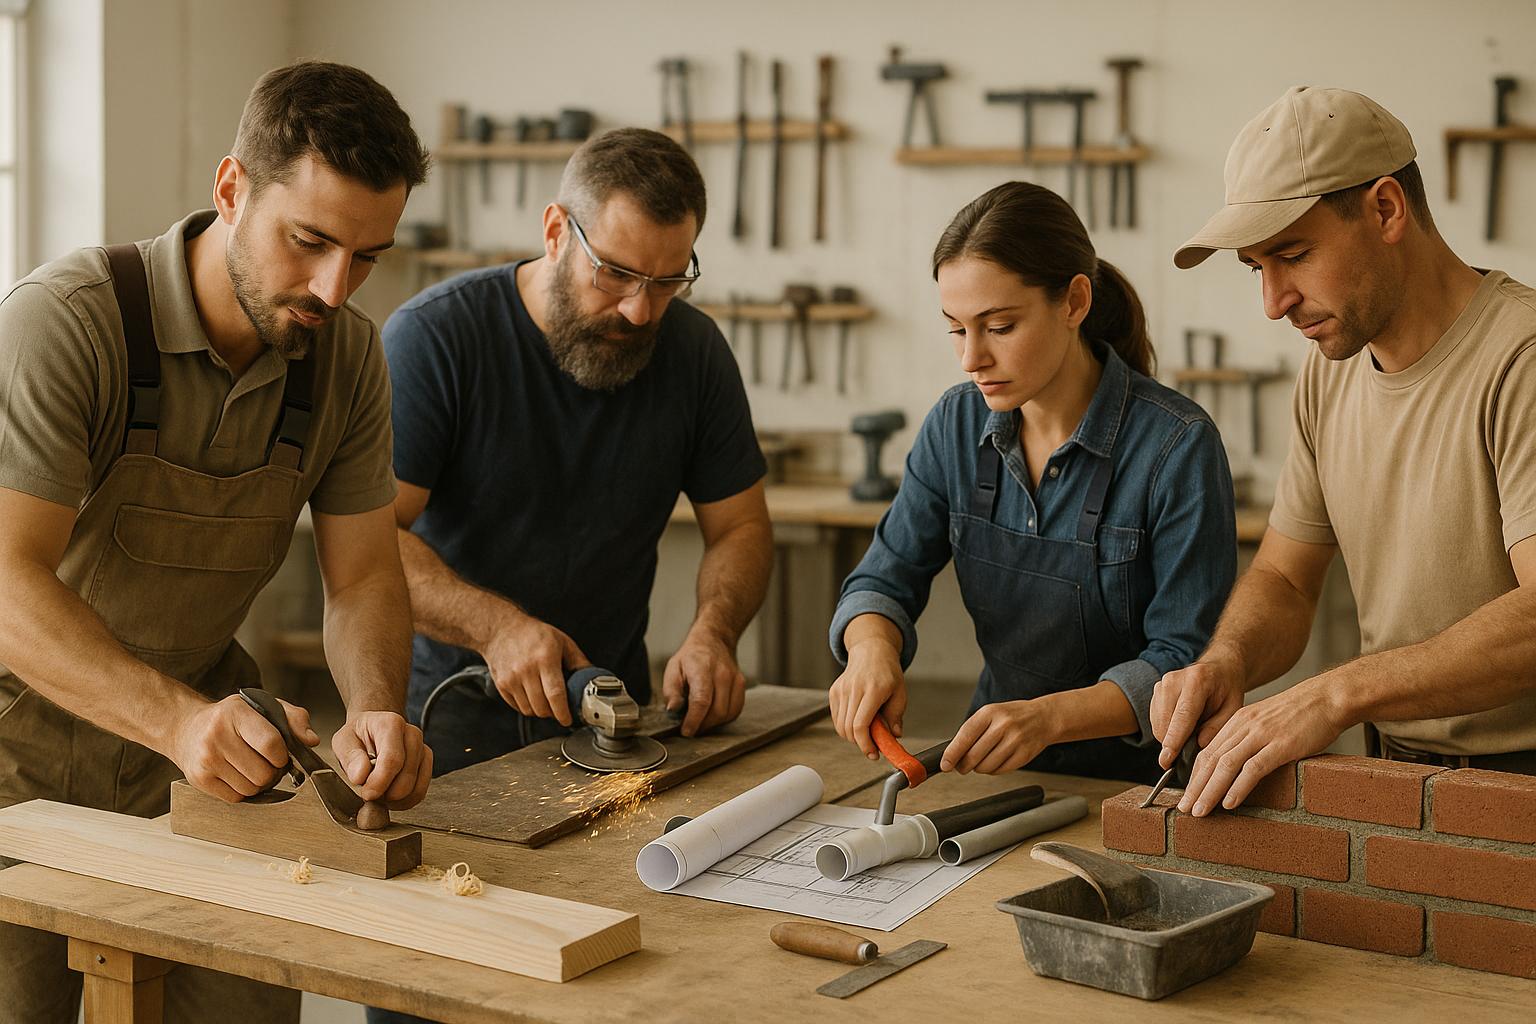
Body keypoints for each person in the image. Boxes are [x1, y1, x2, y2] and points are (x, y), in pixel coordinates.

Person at [0, 61, 433, 1022]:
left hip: (200, 763)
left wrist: (374, 710)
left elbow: (363, 577)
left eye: (366, 257)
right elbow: (3, 581)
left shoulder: (346, 355)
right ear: (231, 189)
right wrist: (179, 725)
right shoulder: (72, 321)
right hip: (14, 761)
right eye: (310, 241)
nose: (334, 287)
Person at [1155, 86, 1536, 818]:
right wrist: (1228, 658)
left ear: (1386, 209)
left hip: (1521, 784)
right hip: (1396, 775)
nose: (1273, 302)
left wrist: (1334, 693)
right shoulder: (1327, 376)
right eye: (1256, 268)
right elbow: (1287, 580)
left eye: (1293, 256)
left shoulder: (1518, 358)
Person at [384, 128, 772, 777]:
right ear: (556, 231)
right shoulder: (436, 339)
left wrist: (715, 632)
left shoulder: (695, 352)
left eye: (668, 280)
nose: (640, 310)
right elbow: (369, 538)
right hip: (451, 731)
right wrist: (495, 629)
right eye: (616, 273)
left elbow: (741, 526)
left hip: (621, 731)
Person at [827, 181, 1237, 783]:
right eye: (956, 328)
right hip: (999, 770)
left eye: (998, 326)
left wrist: (1048, 719)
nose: (971, 358)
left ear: (1074, 302)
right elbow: (884, 577)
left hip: (1146, 787)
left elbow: (1184, 662)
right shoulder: (954, 424)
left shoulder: (1177, 445)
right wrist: (870, 649)